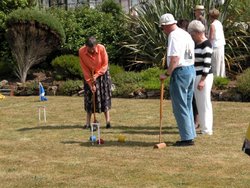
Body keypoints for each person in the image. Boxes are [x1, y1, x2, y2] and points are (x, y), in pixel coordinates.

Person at [159, 13, 196, 146]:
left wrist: (166, 74)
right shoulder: (185, 33)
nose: (163, 31)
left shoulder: (173, 36)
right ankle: (190, 134)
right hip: (190, 69)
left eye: (162, 28)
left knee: (180, 106)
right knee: (187, 104)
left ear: (166, 26)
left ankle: (186, 138)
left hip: (180, 72)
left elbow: (175, 59)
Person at [79, 36, 112, 129]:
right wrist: (90, 84)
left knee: (104, 97)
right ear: (86, 46)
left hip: (102, 74)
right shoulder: (81, 51)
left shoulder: (101, 48)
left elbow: (105, 64)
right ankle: (88, 123)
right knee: (89, 98)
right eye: (89, 50)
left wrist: (97, 75)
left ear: (96, 45)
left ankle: (108, 122)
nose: (92, 51)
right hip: (89, 75)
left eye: (93, 49)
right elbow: (84, 69)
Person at [188, 20, 214, 135]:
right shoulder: (197, 44)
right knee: (200, 103)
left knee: (204, 103)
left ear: (198, 32)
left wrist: (202, 80)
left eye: (193, 34)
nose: (192, 37)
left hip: (204, 76)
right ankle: (204, 127)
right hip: (197, 75)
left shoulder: (206, 44)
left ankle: (207, 129)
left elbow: (207, 64)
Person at [177, 19, 200, 129]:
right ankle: (191, 123)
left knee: (191, 99)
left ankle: (195, 120)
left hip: (187, 70)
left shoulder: (187, 38)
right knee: (189, 99)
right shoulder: (186, 38)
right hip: (190, 69)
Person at [208, 8, 226, 77]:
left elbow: (211, 37)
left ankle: (216, 78)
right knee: (221, 62)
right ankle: (221, 77)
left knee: (215, 63)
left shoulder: (212, 25)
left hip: (215, 46)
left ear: (210, 16)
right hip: (221, 45)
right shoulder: (219, 23)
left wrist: (207, 43)